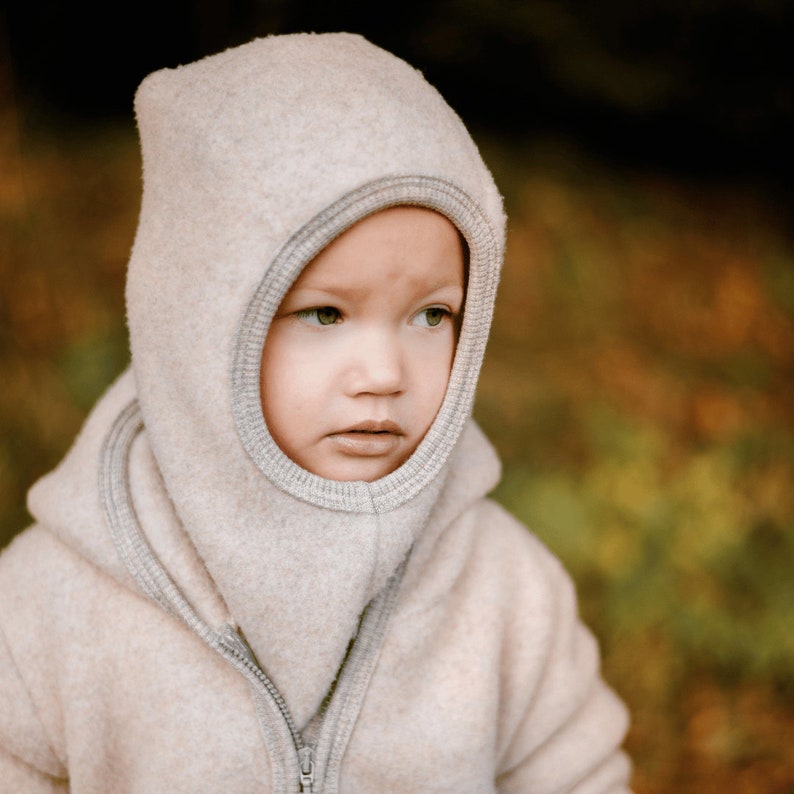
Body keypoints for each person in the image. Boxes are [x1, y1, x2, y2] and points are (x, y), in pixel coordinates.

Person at [0, 33, 632, 792]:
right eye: (326, 314)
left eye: (432, 316)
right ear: (203, 321)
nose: (384, 374)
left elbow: (579, 775)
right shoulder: (45, 608)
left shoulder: (504, 592)